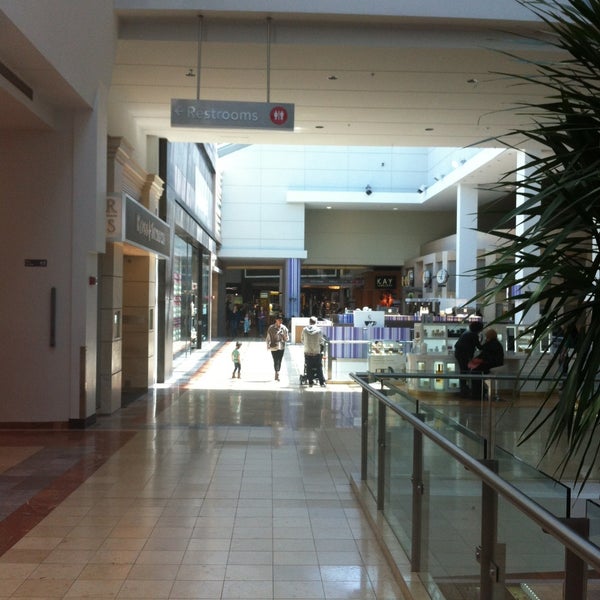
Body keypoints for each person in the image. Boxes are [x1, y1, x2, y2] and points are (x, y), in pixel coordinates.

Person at [469, 328, 504, 399]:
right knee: (477, 371)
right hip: (496, 363)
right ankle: (481, 392)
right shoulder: (496, 344)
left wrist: (476, 360)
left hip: (492, 364)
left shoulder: (490, 344)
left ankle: (477, 394)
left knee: (476, 372)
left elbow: (484, 354)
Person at [453, 321, 483, 397]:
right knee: (464, 372)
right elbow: (479, 347)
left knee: (463, 371)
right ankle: (464, 391)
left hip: (459, 353)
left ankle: (463, 390)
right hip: (464, 355)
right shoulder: (474, 335)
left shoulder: (466, 333)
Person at [301, 316, 326, 387]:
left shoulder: (304, 329)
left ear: (309, 322)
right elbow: (321, 341)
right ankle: (321, 382)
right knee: (319, 367)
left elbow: (302, 340)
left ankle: (310, 382)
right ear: (316, 322)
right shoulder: (319, 330)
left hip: (307, 351)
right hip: (316, 352)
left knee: (308, 367)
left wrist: (307, 344)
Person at [266, 314, 289, 381]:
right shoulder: (271, 328)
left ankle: (277, 372)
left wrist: (283, 335)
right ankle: (277, 373)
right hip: (273, 346)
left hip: (281, 347)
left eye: (281, 320)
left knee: (280, 360)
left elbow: (287, 339)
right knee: (275, 360)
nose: (280, 321)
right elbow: (268, 337)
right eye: (279, 320)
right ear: (276, 320)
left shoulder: (284, 328)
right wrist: (267, 344)